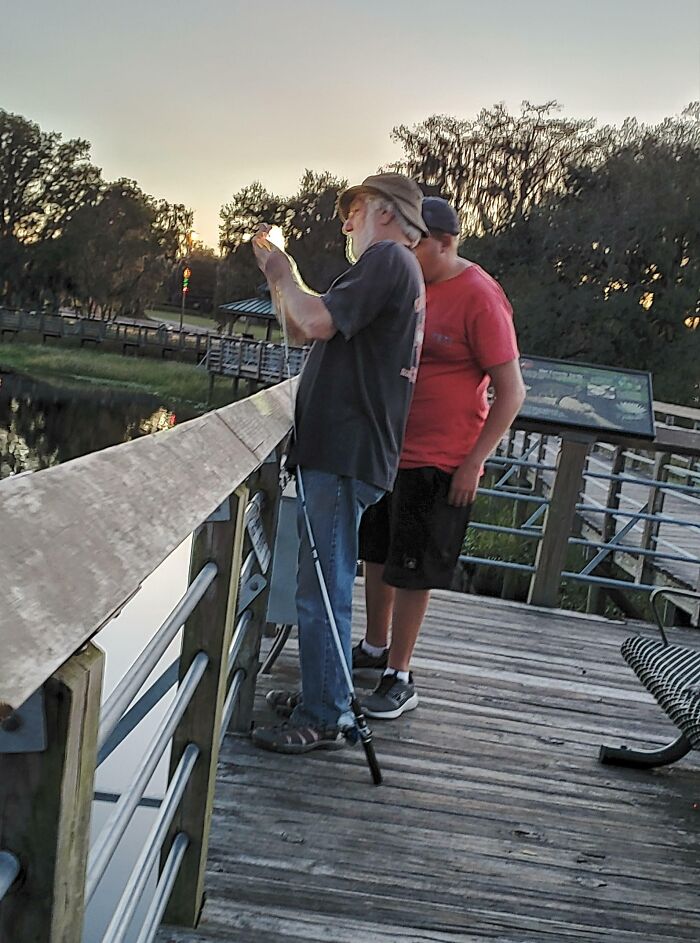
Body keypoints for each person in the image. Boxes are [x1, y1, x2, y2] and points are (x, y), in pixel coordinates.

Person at [250, 173, 427, 754]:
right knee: (318, 583)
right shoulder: (391, 269)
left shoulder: (387, 260)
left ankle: (325, 716)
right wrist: (286, 284)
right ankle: (321, 696)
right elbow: (303, 328)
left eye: (352, 211)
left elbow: (315, 320)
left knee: (321, 590)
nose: (345, 223)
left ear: (381, 211)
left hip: (345, 454)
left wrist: (283, 272)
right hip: (345, 452)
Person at [354, 196, 526, 719]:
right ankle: (374, 647)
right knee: (378, 555)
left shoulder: (480, 295)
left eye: (415, 243)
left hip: (441, 460)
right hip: (387, 450)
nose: (404, 252)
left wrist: (473, 464)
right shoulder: (406, 285)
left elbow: (511, 391)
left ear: (446, 242)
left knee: (415, 567)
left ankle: (400, 675)